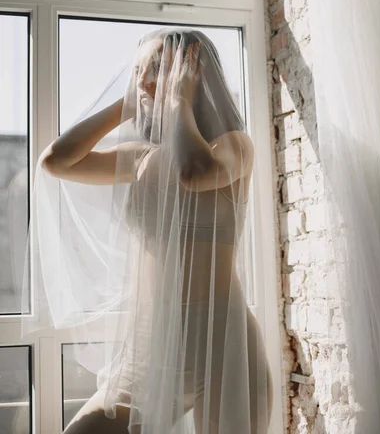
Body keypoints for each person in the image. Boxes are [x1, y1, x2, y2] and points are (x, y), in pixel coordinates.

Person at [37, 27, 273, 433]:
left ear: (194, 74)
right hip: (151, 347)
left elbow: (193, 172)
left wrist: (177, 99)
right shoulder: (140, 158)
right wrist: (127, 105)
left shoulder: (235, 146)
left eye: (159, 68)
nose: (145, 79)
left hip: (224, 345)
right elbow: (56, 162)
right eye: (137, 71)